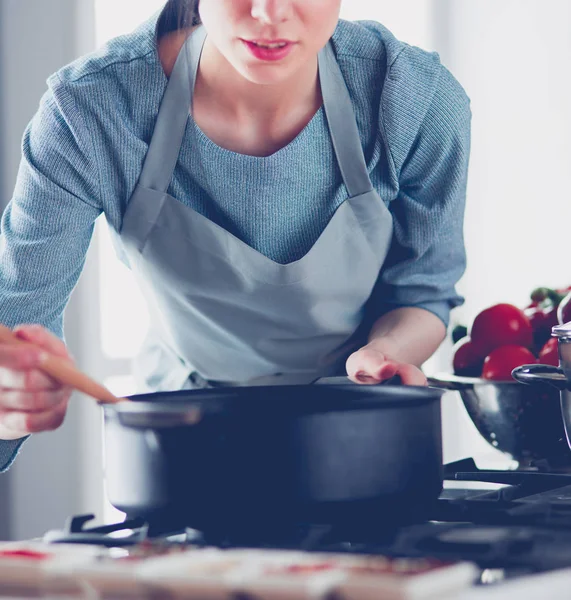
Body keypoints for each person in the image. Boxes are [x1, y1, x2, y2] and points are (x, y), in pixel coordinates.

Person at [0, 0, 471, 471]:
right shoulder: (90, 110)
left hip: (358, 441)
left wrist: (384, 355)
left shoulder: (414, 99)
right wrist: (10, 405)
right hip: (183, 449)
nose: (270, 13)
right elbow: (13, 325)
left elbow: (421, 294)